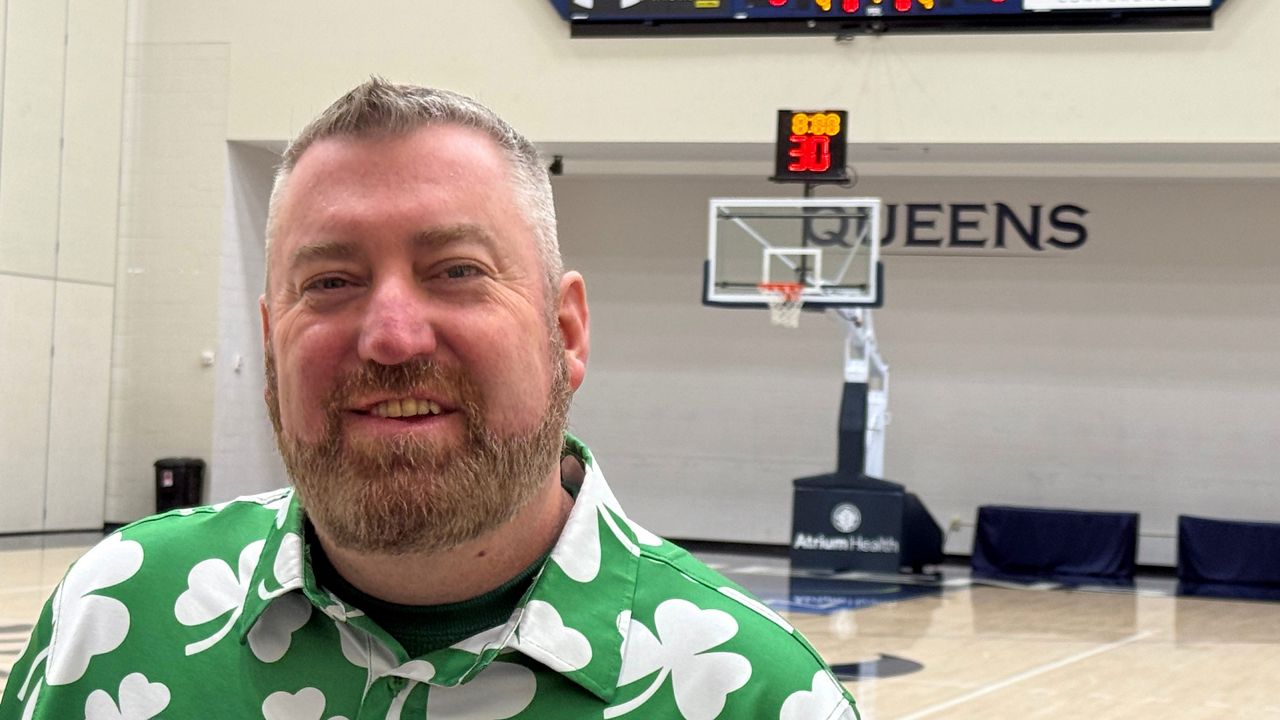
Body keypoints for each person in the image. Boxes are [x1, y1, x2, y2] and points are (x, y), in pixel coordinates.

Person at [1, 78, 858, 720]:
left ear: (566, 333)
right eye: (330, 280)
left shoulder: (755, 695)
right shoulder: (111, 615)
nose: (392, 336)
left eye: (456, 272)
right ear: (269, 344)